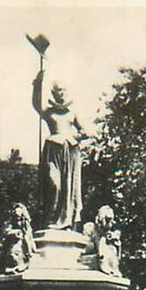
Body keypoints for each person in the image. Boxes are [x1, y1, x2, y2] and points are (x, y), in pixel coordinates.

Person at [32, 68, 85, 230]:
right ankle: (51, 219)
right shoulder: (49, 112)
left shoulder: (72, 112)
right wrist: (37, 84)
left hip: (70, 151)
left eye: (63, 90)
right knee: (54, 184)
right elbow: (36, 104)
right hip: (53, 151)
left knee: (69, 187)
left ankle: (65, 221)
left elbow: (84, 130)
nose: (61, 93)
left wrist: (76, 137)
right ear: (53, 93)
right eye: (58, 90)